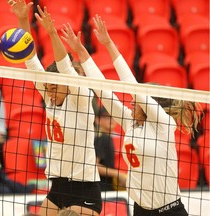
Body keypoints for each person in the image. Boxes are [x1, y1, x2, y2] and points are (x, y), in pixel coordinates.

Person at [61, 15, 202, 216]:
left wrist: (109, 44)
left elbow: (131, 84)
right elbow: (103, 92)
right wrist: (82, 52)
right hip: (140, 210)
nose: (131, 102)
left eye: (137, 102)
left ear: (149, 105)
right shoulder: (131, 122)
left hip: (170, 211)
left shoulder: (163, 123)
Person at [8, 0, 102, 215]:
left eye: (53, 87)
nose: (49, 92)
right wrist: (23, 19)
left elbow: (66, 68)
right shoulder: (50, 98)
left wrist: (51, 33)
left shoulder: (80, 98)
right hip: (58, 186)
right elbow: (30, 59)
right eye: (47, 87)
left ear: (67, 86)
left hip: (84, 188)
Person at [92, 97, 127, 191]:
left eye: (113, 117)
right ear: (97, 120)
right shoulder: (103, 138)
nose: (111, 120)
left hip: (105, 187)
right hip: (102, 188)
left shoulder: (106, 137)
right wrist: (118, 174)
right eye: (106, 117)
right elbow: (94, 166)